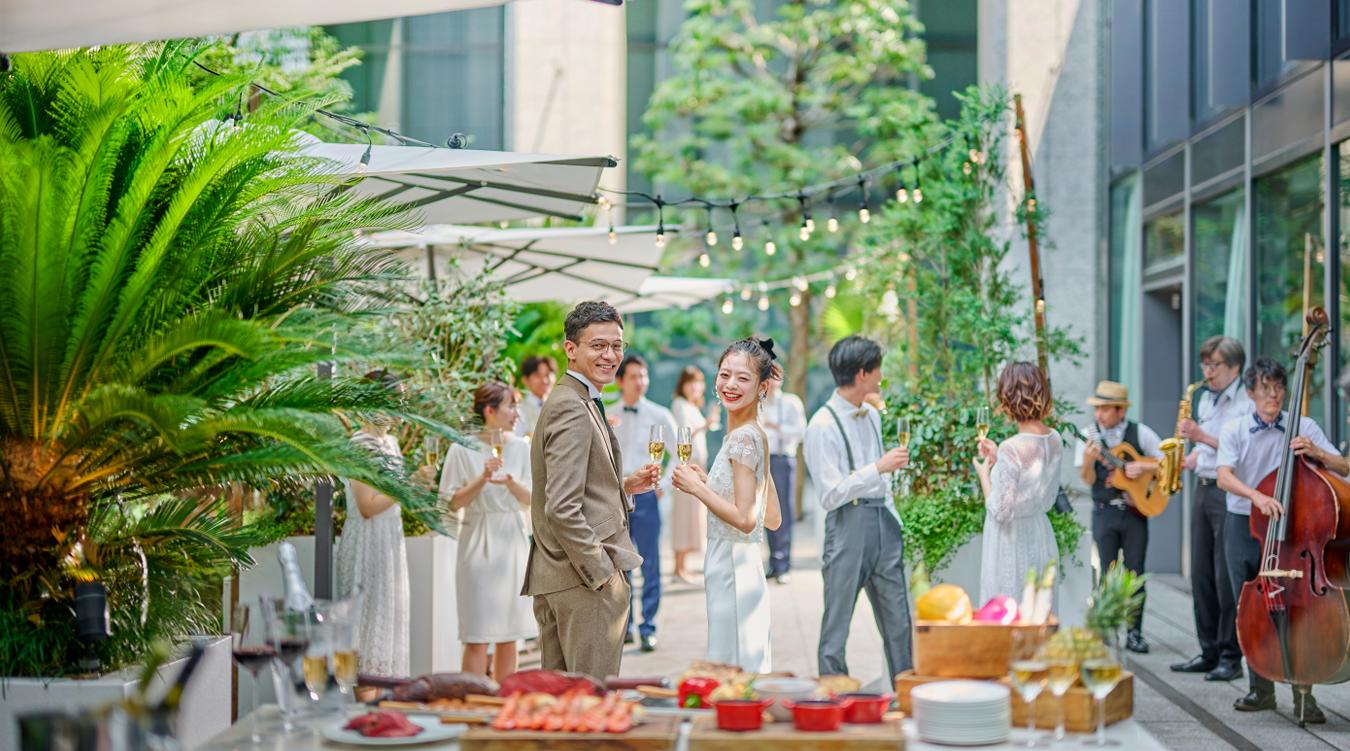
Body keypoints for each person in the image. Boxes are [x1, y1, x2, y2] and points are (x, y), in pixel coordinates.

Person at [522, 301, 661, 678]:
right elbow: (562, 507)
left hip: (561, 577)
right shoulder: (571, 406)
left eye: (616, 346)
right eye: (598, 346)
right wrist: (602, 574)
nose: (610, 355)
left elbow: (572, 487)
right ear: (571, 349)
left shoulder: (576, 398)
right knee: (593, 702)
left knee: (565, 706)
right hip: (582, 583)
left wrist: (625, 485)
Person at [1216, 357, 1347, 722]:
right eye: (1265, 388)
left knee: (1296, 606)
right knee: (1252, 603)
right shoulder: (1234, 428)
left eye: (1278, 388)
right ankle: (1261, 688)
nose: (1273, 395)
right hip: (1245, 522)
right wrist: (1255, 496)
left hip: (1295, 531)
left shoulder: (1303, 425)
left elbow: (1344, 467)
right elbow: (1223, 475)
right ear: (1251, 392)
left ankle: (1304, 692)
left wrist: (1317, 453)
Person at [803, 335, 912, 682]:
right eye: (878, 370)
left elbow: (881, 482)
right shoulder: (821, 426)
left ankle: (904, 696)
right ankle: (833, 702)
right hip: (848, 527)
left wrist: (894, 517)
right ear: (863, 373)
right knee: (836, 627)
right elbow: (830, 494)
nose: (881, 377)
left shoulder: (874, 416)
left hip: (884, 523)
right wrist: (878, 468)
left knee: (899, 624)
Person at [671, 337, 783, 672]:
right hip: (742, 565)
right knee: (744, 659)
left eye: (743, 378)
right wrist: (710, 483)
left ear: (763, 387)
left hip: (731, 566)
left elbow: (748, 520)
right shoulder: (755, 434)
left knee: (731, 666)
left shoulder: (742, 438)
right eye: (724, 375)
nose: (730, 385)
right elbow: (773, 517)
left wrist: (696, 488)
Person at [336, 370, 430, 678]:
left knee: (385, 631)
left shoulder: (389, 442)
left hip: (389, 544)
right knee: (365, 632)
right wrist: (409, 485)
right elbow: (367, 506)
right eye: (397, 398)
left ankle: (377, 712)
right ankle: (366, 715)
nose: (402, 405)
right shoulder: (360, 444)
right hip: (367, 545)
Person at [439, 381, 536, 680]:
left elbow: (534, 499)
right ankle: (471, 701)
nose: (517, 414)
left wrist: (510, 482)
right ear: (490, 411)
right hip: (477, 542)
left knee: (510, 636)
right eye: (511, 406)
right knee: (476, 635)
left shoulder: (522, 448)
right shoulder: (461, 449)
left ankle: (505, 705)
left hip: (513, 542)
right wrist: (482, 477)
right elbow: (451, 502)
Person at [1170, 336, 1248, 681]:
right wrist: (1192, 457)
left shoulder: (1245, 403)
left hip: (1228, 493)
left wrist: (1202, 438)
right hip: (1202, 488)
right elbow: (1209, 449)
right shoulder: (1206, 399)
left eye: (1214, 365)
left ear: (1235, 367)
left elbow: (1240, 448)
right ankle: (1208, 650)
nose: (1207, 371)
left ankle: (1231, 656)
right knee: (1200, 573)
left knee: (1224, 576)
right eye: (1205, 364)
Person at [1074, 380, 1162, 654]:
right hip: (1104, 512)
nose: (1099, 414)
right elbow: (1087, 479)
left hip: (1135, 511)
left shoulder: (1141, 433)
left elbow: (1167, 462)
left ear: (1121, 411)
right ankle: (1106, 628)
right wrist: (1089, 461)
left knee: (1136, 572)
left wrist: (1141, 466)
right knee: (1106, 572)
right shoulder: (1088, 436)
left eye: (1105, 409)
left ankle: (1135, 632)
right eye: (1097, 408)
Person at [973, 362, 1062, 605]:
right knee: (1038, 612)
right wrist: (998, 459)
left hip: (1010, 543)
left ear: (1008, 398)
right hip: (1040, 533)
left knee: (1009, 611)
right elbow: (1036, 486)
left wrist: (984, 474)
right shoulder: (1055, 439)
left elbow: (1002, 511)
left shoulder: (1011, 447)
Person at [610, 354, 678, 652]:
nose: (641, 382)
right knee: (619, 564)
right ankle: (623, 624)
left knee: (650, 563)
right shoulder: (607, 414)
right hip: (616, 495)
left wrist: (663, 484)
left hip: (647, 497)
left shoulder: (660, 414)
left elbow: (679, 453)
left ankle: (648, 626)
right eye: (634, 376)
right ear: (620, 381)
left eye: (644, 375)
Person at [669, 366, 712, 583]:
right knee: (683, 517)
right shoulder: (680, 405)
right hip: (685, 467)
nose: (695, 386)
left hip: (695, 468)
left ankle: (683, 566)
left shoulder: (692, 406)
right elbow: (684, 434)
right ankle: (678, 567)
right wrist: (707, 423)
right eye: (691, 382)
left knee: (692, 517)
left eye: (699, 382)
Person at [761, 377, 806, 584]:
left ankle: (784, 564)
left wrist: (777, 426)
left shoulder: (791, 402)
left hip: (782, 459)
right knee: (765, 511)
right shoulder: (757, 402)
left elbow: (800, 432)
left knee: (784, 512)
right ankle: (773, 562)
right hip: (762, 461)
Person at [515, 355, 557, 439]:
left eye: (547, 375)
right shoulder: (519, 411)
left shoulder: (561, 405)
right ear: (525, 380)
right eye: (537, 375)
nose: (544, 380)